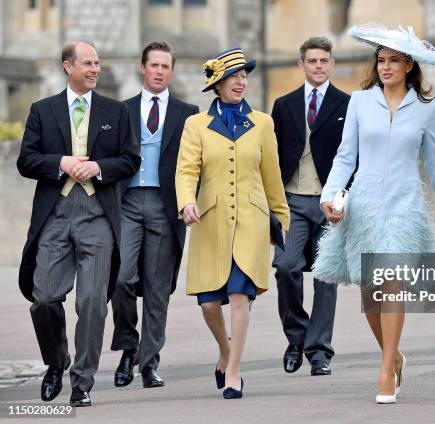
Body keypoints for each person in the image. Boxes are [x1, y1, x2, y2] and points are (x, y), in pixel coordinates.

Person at [313, 24, 435, 404]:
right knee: (370, 291)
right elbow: (346, 157)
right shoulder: (360, 103)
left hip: (404, 204)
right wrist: (329, 196)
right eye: (381, 60)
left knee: (391, 280)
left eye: (394, 60)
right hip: (363, 205)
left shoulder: (426, 107)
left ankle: (383, 369)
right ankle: (394, 357)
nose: (386, 67)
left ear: (410, 65)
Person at [16, 41, 140, 407]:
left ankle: (82, 380)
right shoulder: (43, 110)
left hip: (98, 217)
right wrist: (62, 163)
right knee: (43, 299)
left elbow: (130, 159)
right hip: (55, 216)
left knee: (92, 303)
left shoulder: (116, 111)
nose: (95, 69)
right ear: (68, 66)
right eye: (88, 63)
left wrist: (100, 167)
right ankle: (56, 362)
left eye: (98, 63)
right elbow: (26, 161)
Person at [175, 47, 289, 399]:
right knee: (210, 304)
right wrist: (187, 202)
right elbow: (186, 170)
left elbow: (272, 174)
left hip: (252, 220)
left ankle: (234, 373)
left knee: (241, 296)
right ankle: (225, 352)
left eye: (244, 75)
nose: (241, 82)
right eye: (233, 76)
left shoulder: (263, 123)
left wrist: (280, 217)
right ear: (217, 84)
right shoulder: (196, 125)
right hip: (211, 222)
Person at [111, 41, 199, 389]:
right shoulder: (122, 110)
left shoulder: (187, 112)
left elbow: (195, 161)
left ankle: (148, 363)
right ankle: (129, 346)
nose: (160, 71)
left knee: (158, 289)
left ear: (171, 71)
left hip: (166, 206)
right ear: (142, 68)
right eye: (154, 65)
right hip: (128, 202)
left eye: (166, 66)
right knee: (121, 279)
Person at [271, 37, 350, 376]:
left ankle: (320, 352)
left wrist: (345, 198)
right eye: (312, 61)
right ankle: (297, 337)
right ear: (301, 65)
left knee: (326, 276)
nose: (319, 66)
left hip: (329, 201)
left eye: (324, 61)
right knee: (286, 266)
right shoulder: (284, 104)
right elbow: (272, 158)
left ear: (331, 64)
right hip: (292, 200)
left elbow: (355, 155)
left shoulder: (347, 105)